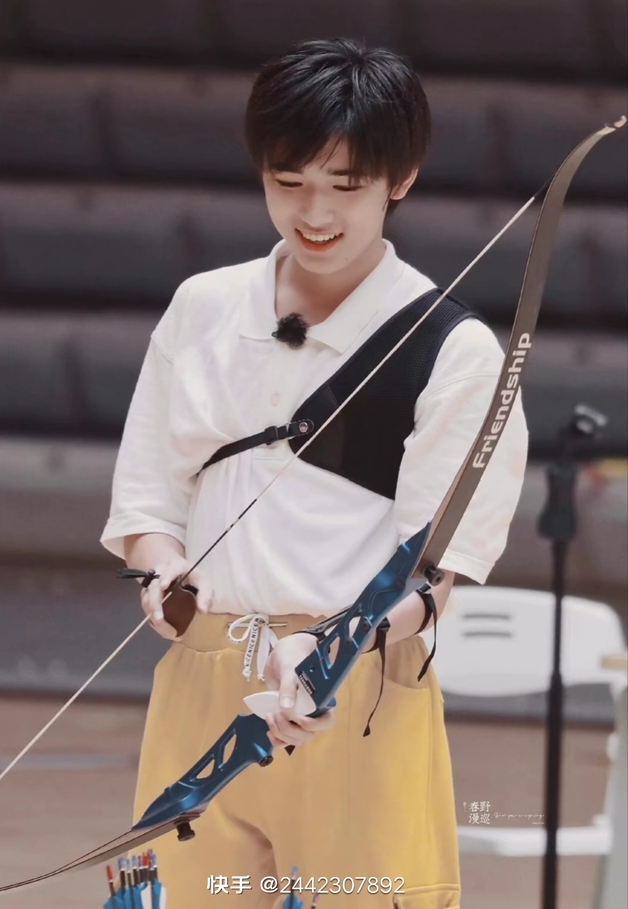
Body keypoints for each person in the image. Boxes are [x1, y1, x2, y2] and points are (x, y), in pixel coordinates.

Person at [101, 37, 528, 908]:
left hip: (350, 687)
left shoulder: (454, 349)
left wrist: (332, 649)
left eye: (346, 185)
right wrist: (161, 570)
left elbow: (434, 575)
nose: (314, 211)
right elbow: (147, 498)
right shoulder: (204, 305)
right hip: (201, 672)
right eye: (288, 181)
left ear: (400, 179)